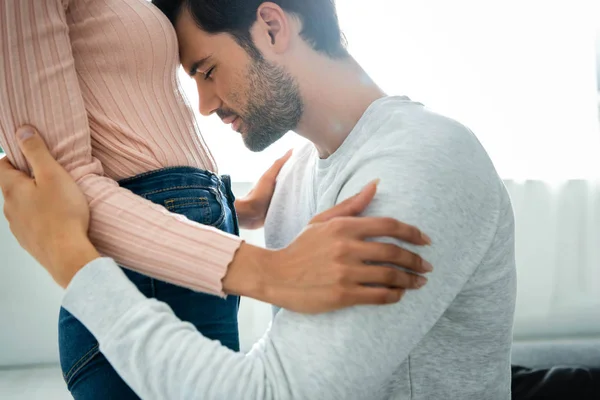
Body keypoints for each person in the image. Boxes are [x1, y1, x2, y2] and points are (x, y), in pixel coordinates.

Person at [1, 0, 518, 399]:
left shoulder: (423, 158)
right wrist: (236, 213)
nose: (202, 106)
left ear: (272, 26)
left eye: (205, 71)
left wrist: (74, 263)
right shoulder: (293, 180)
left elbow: (269, 393)